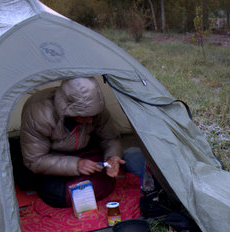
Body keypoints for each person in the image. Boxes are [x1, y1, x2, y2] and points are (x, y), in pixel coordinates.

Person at [16, 77, 146, 208]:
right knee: (59, 195)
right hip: (51, 155)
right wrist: (76, 165)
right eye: (84, 117)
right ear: (68, 110)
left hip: (85, 149)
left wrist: (112, 157)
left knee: (103, 181)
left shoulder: (95, 111)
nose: (90, 121)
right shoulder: (39, 113)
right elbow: (35, 159)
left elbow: (110, 138)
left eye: (93, 116)